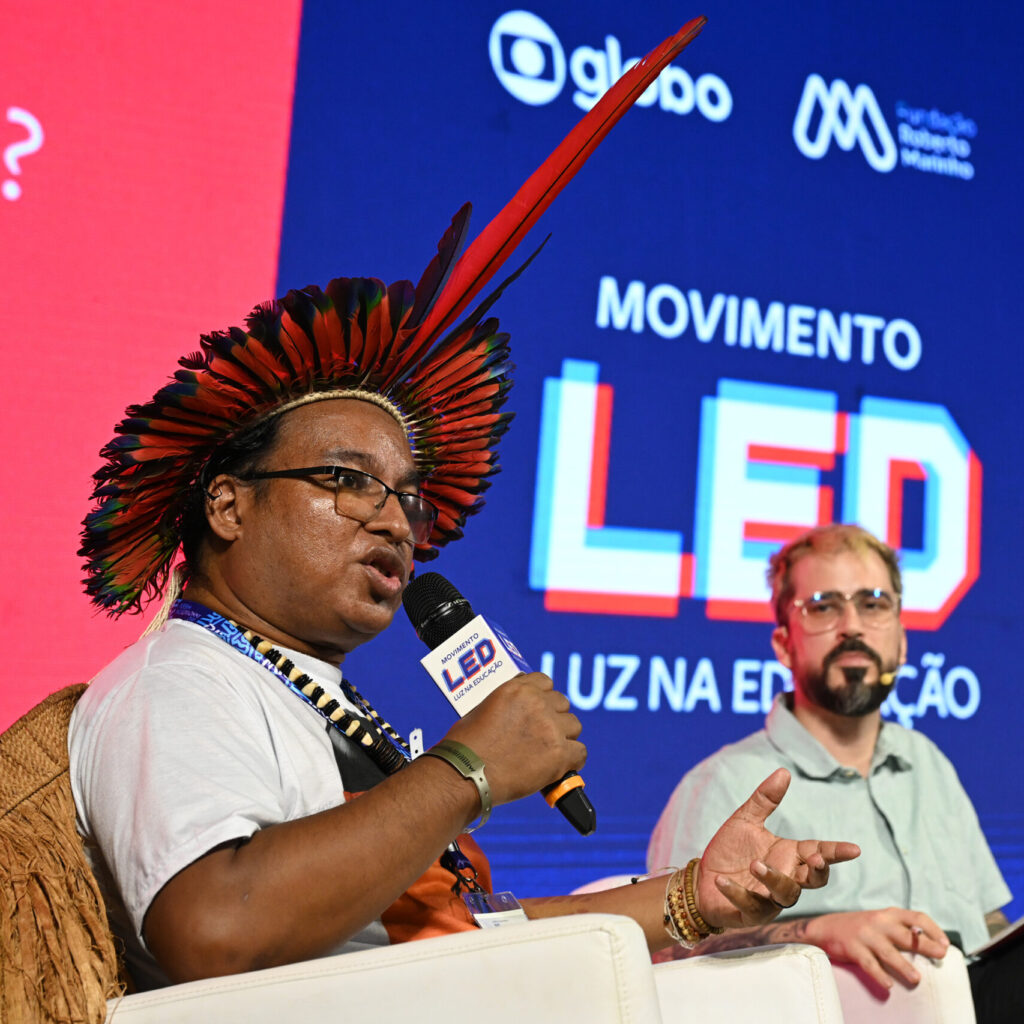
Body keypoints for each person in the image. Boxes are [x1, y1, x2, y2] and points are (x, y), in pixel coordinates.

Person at [67, 18, 859, 991]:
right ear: (227, 506)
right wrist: (468, 770)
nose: (393, 517)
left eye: (405, 494)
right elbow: (213, 928)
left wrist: (693, 896)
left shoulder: (309, 694)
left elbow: (457, 935)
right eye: (346, 480)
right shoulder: (178, 685)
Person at [647, 523, 1017, 1018]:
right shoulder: (724, 783)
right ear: (783, 645)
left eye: (873, 604)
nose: (852, 627)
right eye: (823, 607)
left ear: (902, 641)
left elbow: (987, 927)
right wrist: (820, 932)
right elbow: (673, 959)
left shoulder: (928, 761)